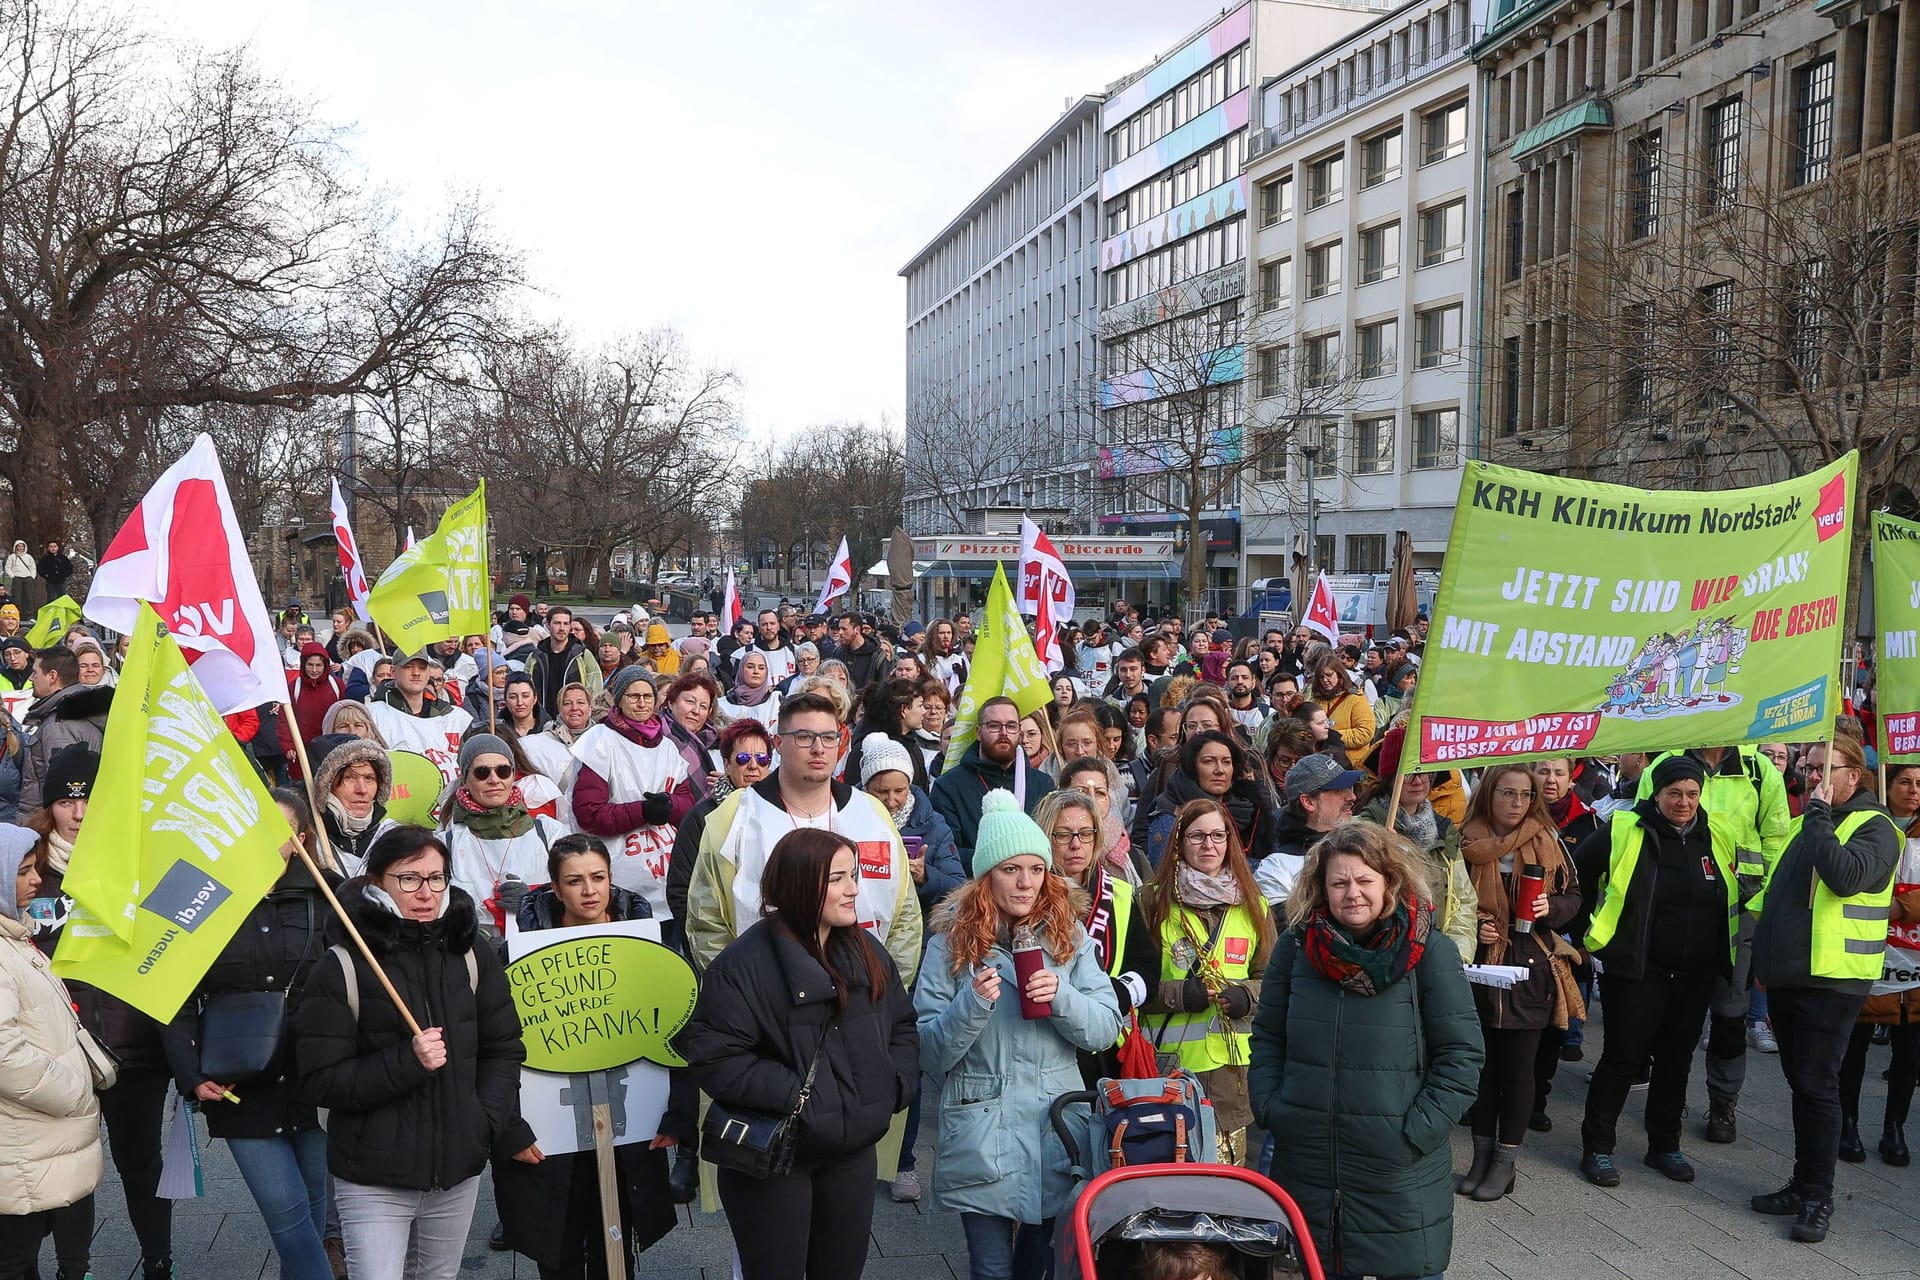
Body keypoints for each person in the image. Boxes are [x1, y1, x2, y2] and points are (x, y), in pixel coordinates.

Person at [292, 827, 538, 1280]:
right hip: (372, 1174)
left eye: (436, 878)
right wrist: (407, 1062)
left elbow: (503, 1049)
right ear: (378, 884)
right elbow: (320, 1081)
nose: (425, 893)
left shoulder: (471, 953)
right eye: (409, 879)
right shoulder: (343, 964)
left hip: (457, 1168)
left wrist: (481, 1122)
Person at [676, 829, 919, 1280]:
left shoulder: (868, 951)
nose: (854, 889)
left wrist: (892, 1085)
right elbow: (715, 1058)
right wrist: (803, 1100)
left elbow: (902, 1026)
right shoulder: (741, 966)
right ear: (801, 884)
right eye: (838, 878)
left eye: (855, 875)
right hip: (778, 1158)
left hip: (853, 1155)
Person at [1248, 821, 1482, 1280]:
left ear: (1389, 881)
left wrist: (1413, 1133)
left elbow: (1462, 1055)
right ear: (1321, 888)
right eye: (1339, 882)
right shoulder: (1297, 949)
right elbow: (1268, 1037)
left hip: (1398, 1168)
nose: (1352, 892)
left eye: (1364, 880)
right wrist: (1274, 1108)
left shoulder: (1427, 951)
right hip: (1312, 1161)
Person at [915, 792, 1122, 1280]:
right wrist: (973, 1004)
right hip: (980, 1130)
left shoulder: (1067, 935)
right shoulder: (949, 944)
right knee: (990, 1270)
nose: (1026, 882)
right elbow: (928, 1050)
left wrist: (1063, 997)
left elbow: (1105, 1030)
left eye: (1035, 868)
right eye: (1011, 869)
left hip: (1055, 1128)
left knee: (1040, 1263)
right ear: (987, 876)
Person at [162, 790, 339, 1280]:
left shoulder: (331, 896)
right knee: (287, 1216)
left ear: (300, 840)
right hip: (240, 1084)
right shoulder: (202, 896)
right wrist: (190, 1073)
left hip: (316, 1078)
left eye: (277, 831)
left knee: (313, 1206)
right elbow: (171, 994)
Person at [496, 834, 688, 1279]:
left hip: (630, 1125)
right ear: (555, 888)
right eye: (575, 880)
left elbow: (677, 1032)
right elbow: (496, 1048)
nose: (589, 891)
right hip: (550, 1134)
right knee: (557, 1248)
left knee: (617, 1249)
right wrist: (508, 1127)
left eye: (598, 877)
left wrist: (677, 1113)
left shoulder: (652, 948)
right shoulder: (515, 955)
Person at [26, 745, 176, 1280]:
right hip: (62, 1050)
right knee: (70, 1168)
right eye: (68, 802)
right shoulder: (28, 870)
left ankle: (159, 1258)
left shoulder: (133, 862)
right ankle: (74, 1268)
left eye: (90, 799)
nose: (80, 813)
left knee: (142, 1163)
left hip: (133, 1045)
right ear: (51, 808)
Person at [1749, 733, 1903, 1243]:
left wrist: (1816, 816)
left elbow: (1844, 878)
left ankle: (1817, 1197)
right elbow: (1780, 899)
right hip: (1793, 976)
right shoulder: (1811, 821)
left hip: (1833, 980)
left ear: (1852, 775)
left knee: (1818, 1088)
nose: (1811, 777)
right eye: (1808, 767)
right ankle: (1801, 1184)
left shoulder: (1874, 826)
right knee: (1803, 1086)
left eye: (1822, 768)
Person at [1575, 754, 1739, 1188]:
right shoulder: (1627, 828)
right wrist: (1586, 937)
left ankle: (1664, 1145)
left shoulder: (1717, 832)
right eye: (1674, 794)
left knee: (1676, 1060)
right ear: (1657, 794)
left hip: (1696, 972)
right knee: (1623, 1058)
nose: (1684, 802)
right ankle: (1598, 1148)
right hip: (1637, 969)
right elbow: (1577, 875)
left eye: (1691, 794)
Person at [686, 693, 924, 982]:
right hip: (768, 1000)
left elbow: (905, 917)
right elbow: (708, 922)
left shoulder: (872, 813)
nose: (818, 749)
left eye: (828, 737)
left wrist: (887, 995)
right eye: (803, 737)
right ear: (778, 744)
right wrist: (744, 996)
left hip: (863, 995)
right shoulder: (736, 816)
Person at [1635, 742, 1791, 1143]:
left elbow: (1777, 842)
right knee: (1670, 1014)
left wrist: (1758, 908)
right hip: (1676, 910)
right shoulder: (1665, 763)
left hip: (1739, 914)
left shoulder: (1759, 770)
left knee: (1730, 1014)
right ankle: (1668, 1097)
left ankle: (1723, 1100)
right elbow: (1640, 830)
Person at [1453, 764, 1582, 1201]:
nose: (1516, 803)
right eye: (1507, 793)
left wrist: (1550, 907)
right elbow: (1444, 902)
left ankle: (1505, 1164)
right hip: (1478, 967)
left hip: (1530, 966)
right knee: (1483, 1067)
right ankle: (1480, 1157)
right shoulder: (1463, 840)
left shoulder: (1547, 839)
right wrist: (1475, 924)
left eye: (1525, 795)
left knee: (1519, 1067)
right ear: (1489, 793)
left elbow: (1574, 898)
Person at [1139, 797, 1274, 1164]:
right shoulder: (1150, 902)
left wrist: (1248, 994)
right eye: (1197, 836)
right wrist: (1180, 994)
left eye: (1218, 835)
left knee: (1227, 1182)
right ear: (1179, 843)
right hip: (1167, 1066)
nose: (1209, 845)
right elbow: (1129, 983)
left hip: (1232, 1071)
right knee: (1173, 1176)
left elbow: (1274, 980)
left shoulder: (1253, 905)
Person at [0, 820, 103, 1280]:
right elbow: (4, 1055)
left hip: (37, 1141)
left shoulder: (15, 938)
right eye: (23, 871)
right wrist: (75, 1091)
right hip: (22, 1145)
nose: (37, 879)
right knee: (17, 1263)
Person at [1035, 786, 1154, 1085]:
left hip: (1106, 1048)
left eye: (1085, 833)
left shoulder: (1120, 894)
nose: (1076, 844)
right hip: (1045, 1044)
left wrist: (1118, 993)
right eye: (1063, 834)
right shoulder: (1026, 894)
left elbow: (1148, 970)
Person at [1837, 760, 1920, 1168]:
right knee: (1854, 1048)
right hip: (1865, 956)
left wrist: (1901, 906)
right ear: (1888, 785)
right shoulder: (1870, 826)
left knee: (1908, 1053)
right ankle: (1847, 1123)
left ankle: (1894, 1128)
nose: (1913, 789)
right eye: (1904, 781)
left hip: (1914, 969)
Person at [569, 668, 690, 932]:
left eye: (647, 696)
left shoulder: (667, 746)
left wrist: (668, 807)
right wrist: (643, 810)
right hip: (621, 873)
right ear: (620, 699)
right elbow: (588, 814)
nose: (642, 702)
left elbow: (687, 803)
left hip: (666, 872)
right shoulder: (600, 742)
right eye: (634, 696)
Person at [438, 734, 571, 939]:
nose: (494, 780)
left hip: (540, 954)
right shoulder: (447, 844)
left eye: (503, 771)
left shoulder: (550, 834)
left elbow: (576, 897)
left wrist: (533, 901)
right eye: (482, 772)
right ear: (465, 779)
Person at [1357, 764, 1475, 961]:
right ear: (1390, 778)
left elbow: (1464, 900)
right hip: (1384, 956)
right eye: (1410, 773)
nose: (1418, 781)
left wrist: (1456, 954)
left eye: (1425, 773)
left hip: (1436, 955)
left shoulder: (1445, 832)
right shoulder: (1364, 828)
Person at [929, 696, 1055, 864]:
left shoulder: (1043, 784)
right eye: (994, 725)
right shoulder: (948, 787)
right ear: (979, 732)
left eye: (1011, 726)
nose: (1004, 733)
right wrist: (1000, 860)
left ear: (1018, 731)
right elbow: (945, 850)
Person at [1142, 730, 1279, 870]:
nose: (1220, 770)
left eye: (1226, 762)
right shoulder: (1169, 812)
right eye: (1208, 762)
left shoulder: (1250, 807)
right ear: (1192, 767)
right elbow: (1170, 872)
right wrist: (1261, 867)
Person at [1255, 755, 1361, 910]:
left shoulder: (1365, 847)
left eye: (1350, 789)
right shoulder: (1277, 868)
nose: (1352, 796)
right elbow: (1283, 928)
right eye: (1340, 790)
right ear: (1309, 802)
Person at [17, 647, 112, 811]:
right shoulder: (66, 715)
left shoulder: (60, 726)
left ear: (52, 676)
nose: (31, 678)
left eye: (35, 672)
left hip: (53, 825)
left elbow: (67, 791)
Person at [363, 648, 474, 785]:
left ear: (428, 674)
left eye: (422, 668)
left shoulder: (452, 716)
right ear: (393, 672)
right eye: (408, 667)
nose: (416, 673)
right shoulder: (372, 715)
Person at [313, 737, 397, 878]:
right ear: (326, 786)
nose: (362, 789)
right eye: (349, 777)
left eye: (369, 778)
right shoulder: (307, 842)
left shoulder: (394, 838)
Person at [846, 678, 931, 794]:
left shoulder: (913, 747)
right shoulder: (864, 751)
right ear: (903, 710)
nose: (924, 711)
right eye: (920, 705)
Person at [525, 605, 602, 722]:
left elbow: (596, 692)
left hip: (574, 721)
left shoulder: (582, 655)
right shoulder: (535, 657)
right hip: (541, 720)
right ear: (548, 625)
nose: (562, 628)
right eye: (557, 623)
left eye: (566, 624)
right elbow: (526, 688)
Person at [1305, 650, 1375, 754]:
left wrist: (1330, 736)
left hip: (1350, 763)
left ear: (1339, 674)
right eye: (1321, 677)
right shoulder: (1313, 700)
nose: (1324, 680)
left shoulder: (1356, 699)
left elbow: (1365, 733)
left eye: (1329, 675)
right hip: (1320, 761)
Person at [719, 650, 782, 731]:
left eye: (761, 668)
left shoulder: (777, 702)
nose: (756, 671)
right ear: (741, 669)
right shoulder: (721, 705)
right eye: (750, 667)